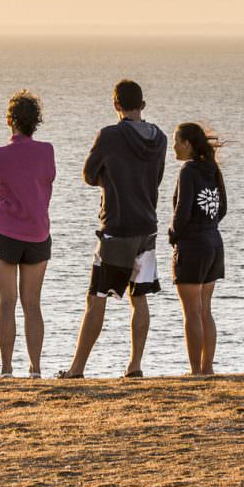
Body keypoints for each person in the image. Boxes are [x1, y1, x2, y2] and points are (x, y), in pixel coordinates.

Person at [58, 79, 167, 379]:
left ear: (115, 105)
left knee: (96, 298)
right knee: (139, 296)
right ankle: (135, 365)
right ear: (142, 105)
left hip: (117, 227)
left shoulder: (108, 136)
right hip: (147, 226)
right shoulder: (160, 139)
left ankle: (77, 369)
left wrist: (111, 180)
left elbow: (88, 175)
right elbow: (156, 178)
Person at [0, 90, 56, 377]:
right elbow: (47, 179)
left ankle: (6, 369)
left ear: (10, 120)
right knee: (32, 303)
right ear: (35, 122)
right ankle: (35, 369)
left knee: (6, 301)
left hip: (5, 231)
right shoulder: (47, 150)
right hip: (38, 232)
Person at [169, 122, 228, 376]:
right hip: (214, 242)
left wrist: (174, 235)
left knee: (191, 312)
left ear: (188, 145)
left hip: (192, 246)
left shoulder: (188, 171)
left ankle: (195, 371)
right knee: (205, 310)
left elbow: (182, 211)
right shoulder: (212, 169)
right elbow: (222, 207)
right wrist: (209, 225)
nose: (173, 146)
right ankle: (208, 368)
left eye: (176, 141)